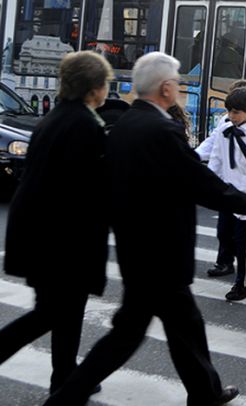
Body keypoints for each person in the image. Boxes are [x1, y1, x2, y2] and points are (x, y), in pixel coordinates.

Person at [44, 52, 246, 406]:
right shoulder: (162, 129)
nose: (179, 89)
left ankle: (205, 392)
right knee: (133, 335)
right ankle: (65, 396)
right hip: (161, 251)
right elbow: (200, 183)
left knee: (183, 327)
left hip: (137, 246)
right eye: (177, 83)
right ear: (166, 88)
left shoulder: (124, 125)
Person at [0, 51, 111, 396]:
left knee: (64, 310)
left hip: (40, 233)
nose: (107, 88)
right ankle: (64, 377)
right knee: (51, 313)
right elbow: (88, 187)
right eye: (105, 82)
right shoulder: (84, 125)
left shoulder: (56, 118)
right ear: (93, 88)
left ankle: (64, 376)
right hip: (61, 240)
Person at [196, 80, 246, 277]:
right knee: (224, 230)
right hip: (228, 186)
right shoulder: (225, 124)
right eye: (230, 109)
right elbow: (215, 149)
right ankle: (225, 262)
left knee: (241, 234)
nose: (232, 114)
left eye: (236, 110)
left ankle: (243, 274)